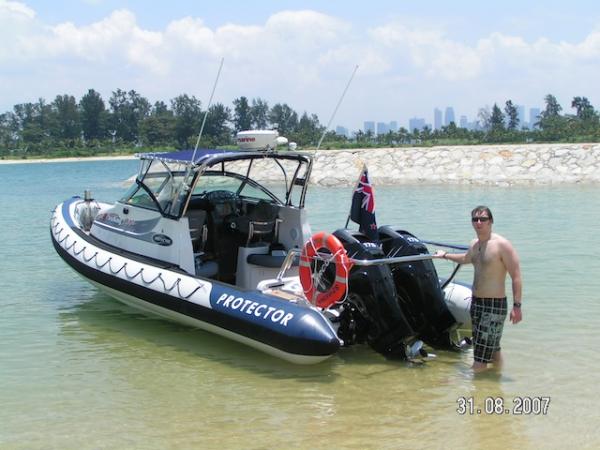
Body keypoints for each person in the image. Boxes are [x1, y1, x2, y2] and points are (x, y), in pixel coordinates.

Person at [434, 206, 522, 373]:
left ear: (491, 221)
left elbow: (516, 276)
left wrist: (517, 306)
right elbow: (466, 258)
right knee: (493, 348)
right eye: (475, 219)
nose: (479, 223)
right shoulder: (475, 244)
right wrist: (445, 255)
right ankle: (496, 380)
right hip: (477, 303)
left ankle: (477, 391)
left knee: (479, 359)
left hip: (494, 305)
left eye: (483, 219)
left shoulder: (502, 245)